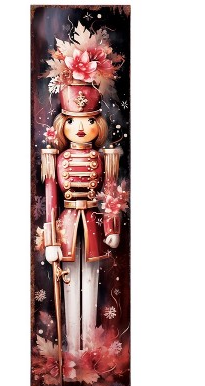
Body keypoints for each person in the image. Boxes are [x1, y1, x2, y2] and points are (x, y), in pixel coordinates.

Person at [41, 81, 121, 352]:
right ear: (63, 124)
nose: (81, 128)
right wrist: (51, 241)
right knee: (69, 282)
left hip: (93, 224)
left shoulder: (104, 158)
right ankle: (72, 349)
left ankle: (89, 348)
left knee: (90, 280)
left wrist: (112, 228)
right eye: (73, 121)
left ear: (98, 124)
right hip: (66, 225)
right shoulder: (55, 159)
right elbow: (51, 199)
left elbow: (109, 194)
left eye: (89, 120)